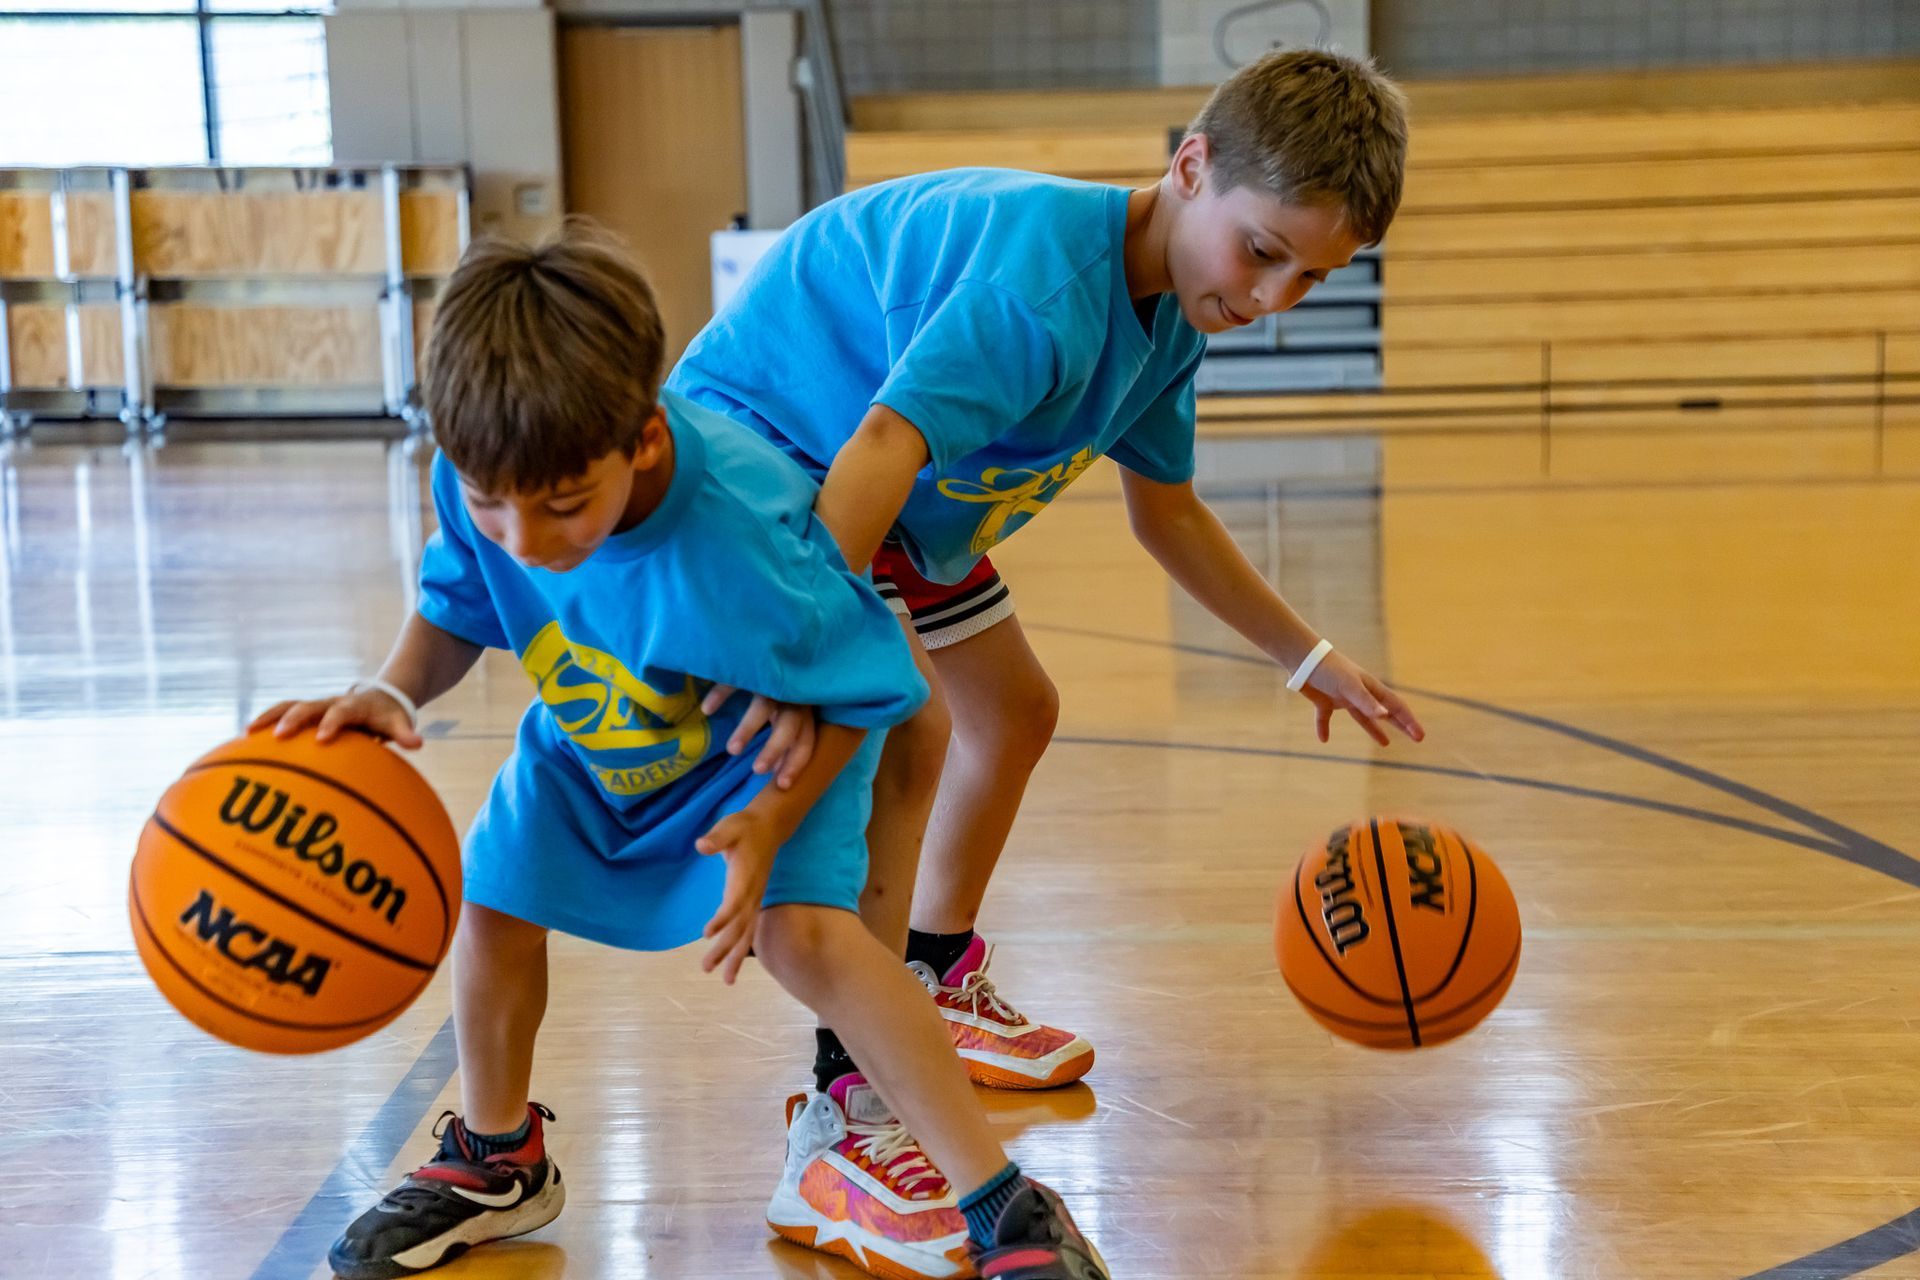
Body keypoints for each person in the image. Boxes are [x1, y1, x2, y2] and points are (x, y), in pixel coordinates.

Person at [253, 227, 1107, 1280]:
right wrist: (387, 687)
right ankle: (497, 1154)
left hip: (766, 748)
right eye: (490, 503)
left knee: (811, 942)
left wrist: (770, 824)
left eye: (563, 504)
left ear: (645, 440)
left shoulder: (745, 523)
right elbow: (456, 607)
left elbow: (881, 691)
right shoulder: (482, 463)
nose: (522, 535)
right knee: (493, 894)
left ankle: (1003, 1202)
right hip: (596, 738)